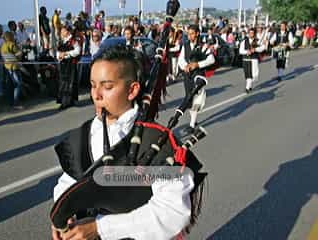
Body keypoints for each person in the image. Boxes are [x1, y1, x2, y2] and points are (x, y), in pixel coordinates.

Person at [51, 45, 206, 240]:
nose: (96, 95)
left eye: (107, 86)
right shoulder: (83, 135)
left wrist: (100, 228)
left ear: (132, 90)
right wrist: (63, 217)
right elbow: (69, 181)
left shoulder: (156, 141)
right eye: (92, 85)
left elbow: (172, 213)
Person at [178, 24, 215, 134]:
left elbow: (211, 59)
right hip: (188, 76)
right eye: (188, 34)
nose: (190, 36)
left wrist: (197, 64)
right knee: (189, 98)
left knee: (196, 99)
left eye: (192, 34)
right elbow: (181, 59)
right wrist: (185, 66)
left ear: (197, 33)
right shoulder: (185, 45)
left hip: (198, 76)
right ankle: (193, 121)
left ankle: (192, 124)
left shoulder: (203, 46)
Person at [56, 26, 81, 110]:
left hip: (70, 64)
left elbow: (77, 51)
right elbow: (57, 52)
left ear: (67, 32)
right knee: (63, 82)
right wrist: (59, 56)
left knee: (70, 82)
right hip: (63, 64)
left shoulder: (73, 41)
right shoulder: (61, 41)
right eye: (61, 31)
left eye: (63, 31)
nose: (61, 33)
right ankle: (64, 101)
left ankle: (69, 101)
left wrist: (66, 54)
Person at [239, 28, 265, 93]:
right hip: (246, 59)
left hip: (254, 59)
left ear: (254, 34)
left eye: (252, 33)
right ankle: (248, 87)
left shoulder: (257, 41)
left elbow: (262, 48)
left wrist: (255, 50)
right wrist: (246, 52)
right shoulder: (244, 41)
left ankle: (248, 86)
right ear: (248, 33)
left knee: (254, 75)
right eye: (250, 33)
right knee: (248, 74)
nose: (251, 34)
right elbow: (240, 51)